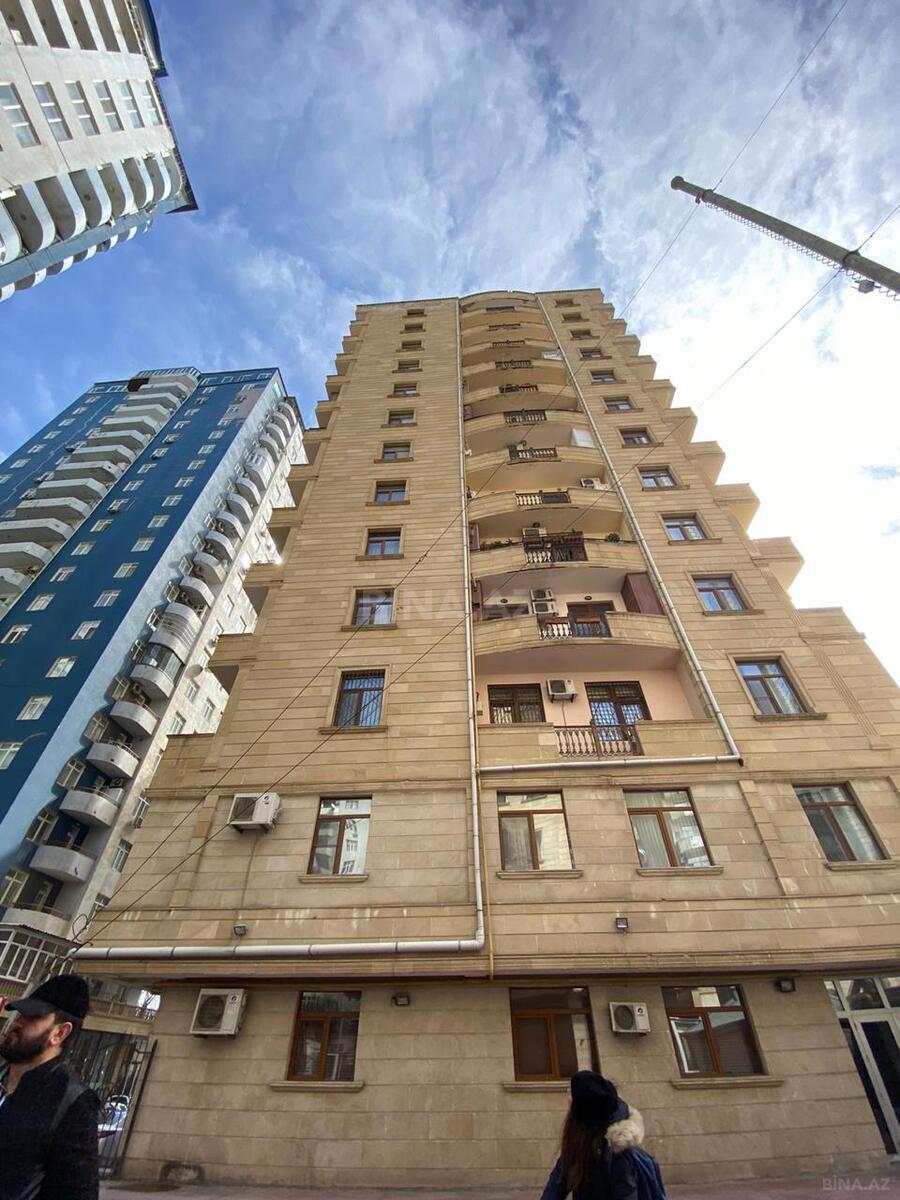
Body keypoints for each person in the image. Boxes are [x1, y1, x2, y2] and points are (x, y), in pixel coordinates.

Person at [0, 973, 100, 1200]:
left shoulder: (72, 1101)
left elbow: (77, 1192)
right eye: (20, 1014)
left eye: (33, 1017)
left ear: (60, 1033)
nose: (18, 1023)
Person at [539, 1071, 665, 1200]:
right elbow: (557, 1183)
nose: (567, 1095)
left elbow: (627, 1195)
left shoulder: (618, 1153)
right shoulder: (579, 1143)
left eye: (571, 1093)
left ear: (581, 1112)